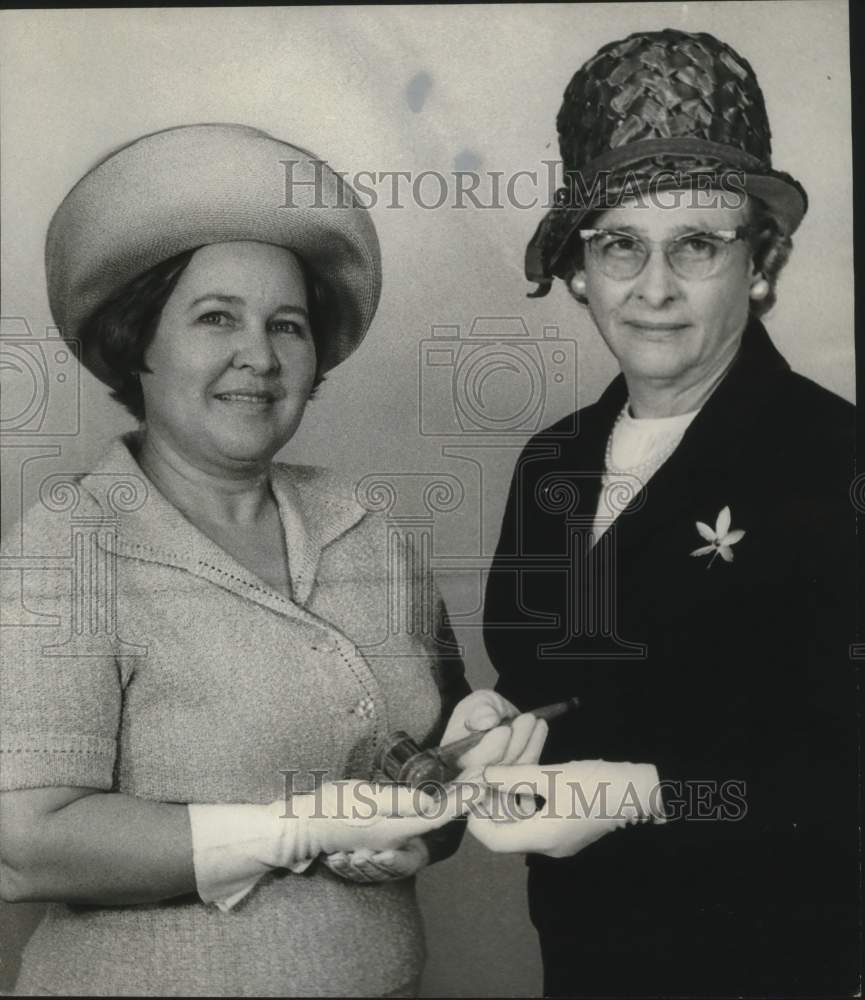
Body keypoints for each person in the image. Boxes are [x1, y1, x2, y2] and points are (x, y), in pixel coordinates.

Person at [0, 123, 545, 997]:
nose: (259, 357)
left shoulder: (367, 527)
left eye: (286, 326)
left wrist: (433, 802)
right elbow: (27, 844)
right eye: (216, 317)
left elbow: (427, 787)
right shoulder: (66, 548)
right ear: (139, 340)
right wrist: (307, 826)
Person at [474, 30, 859, 997]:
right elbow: (541, 679)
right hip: (584, 961)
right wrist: (499, 720)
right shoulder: (552, 463)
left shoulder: (835, 459)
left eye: (695, 244)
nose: (653, 289)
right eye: (619, 246)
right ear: (577, 272)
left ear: (760, 262)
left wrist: (641, 793)